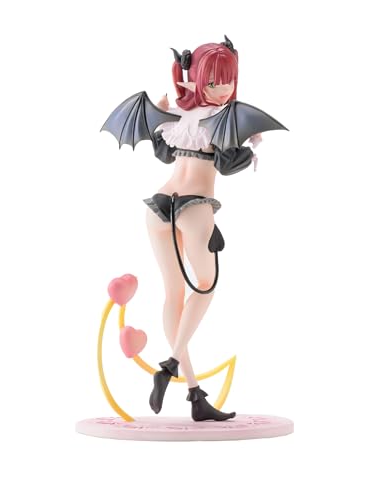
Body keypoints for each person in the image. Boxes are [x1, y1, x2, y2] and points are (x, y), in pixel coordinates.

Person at [145, 37, 261, 421]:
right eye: (214, 81)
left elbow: (163, 154)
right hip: (194, 207)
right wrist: (249, 145)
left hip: (158, 206)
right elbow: (227, 166)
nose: (223, 89)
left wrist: (158, 113)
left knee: (174, 295)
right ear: (195, 78)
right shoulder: (224, 120)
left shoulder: (178, 115)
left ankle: (194, 393)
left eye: (228, 80)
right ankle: (170, 364)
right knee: (206, 286)